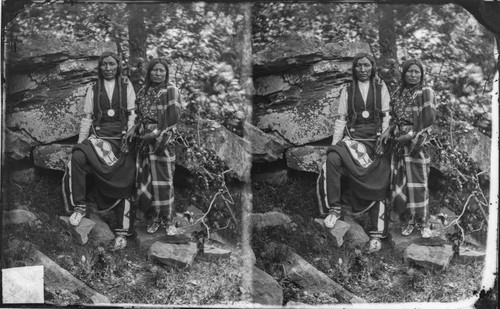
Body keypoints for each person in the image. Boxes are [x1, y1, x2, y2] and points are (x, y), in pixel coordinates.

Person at [317, 52, 392, 252]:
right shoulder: (348, 89)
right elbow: (341, 119)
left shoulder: (380, 86)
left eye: (367, 65)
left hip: (375, 142)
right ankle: (334, 208)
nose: (363, 69)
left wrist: (384, 137)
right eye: (359, 66)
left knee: (380, 173)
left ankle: (376, 234)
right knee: (332, 158)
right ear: (354, 68)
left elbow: (386, 115)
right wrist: (335, 144)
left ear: (372, 67)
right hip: (352, 139)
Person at [63, 51, 137, 250]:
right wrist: (80, 142)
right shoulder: (93, 88)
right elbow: (87, 117)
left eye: (112, 64)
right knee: (78, 156)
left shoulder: (125, 85)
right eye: (105, 64)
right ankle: (79, 206)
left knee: (126, 171)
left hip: (121, 140)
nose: (108, 68)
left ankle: (122, 231)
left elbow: (132, 113)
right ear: (100, 67)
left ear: (118, 66)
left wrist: (130, 132)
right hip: (98, 138)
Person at [132, 58, 181, 236]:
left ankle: (168, 220)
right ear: (149, 72)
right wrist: (137, 131)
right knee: (147, 180)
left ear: (166, 73)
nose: (158, 74)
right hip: (144, 140)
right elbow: (137, 115)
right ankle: (153, 218)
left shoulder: (171, 90)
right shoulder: (143, 91)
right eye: (154, 70)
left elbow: (173, 119)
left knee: (164, 181)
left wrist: (154, 135)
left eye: (161, 71)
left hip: (163, 141)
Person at [388, 59, 436, 238]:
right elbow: (393, 118)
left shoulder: (426, 92)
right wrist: (392, 133)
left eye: (417, 72)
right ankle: (408, 221)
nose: (413, 75)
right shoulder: (398, 93)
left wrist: (410, 136)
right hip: (400, 143)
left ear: (422, 74)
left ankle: (423, 222)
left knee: (419, 183)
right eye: (410, 71)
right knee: (404, 182)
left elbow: (429, 120)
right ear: (404, 73)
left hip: (418, 143)